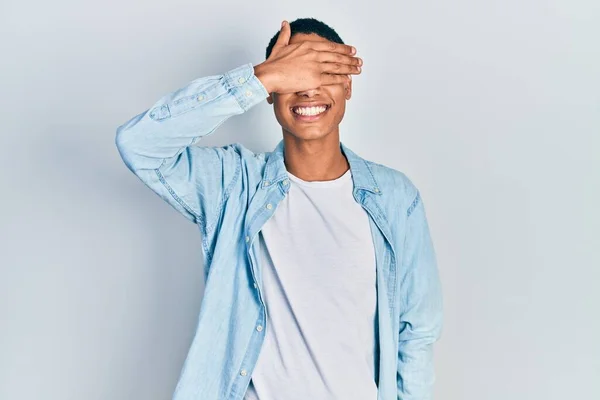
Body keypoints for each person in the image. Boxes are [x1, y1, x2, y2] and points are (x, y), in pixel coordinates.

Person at [115, 17, 443, 400]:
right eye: (292, 74)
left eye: (322, 71)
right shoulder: (233, 185)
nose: (306, 88)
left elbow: (416, 332)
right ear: (270, 92)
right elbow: (139, 144)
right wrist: (259, 77)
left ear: (348, 85)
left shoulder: (394, 197)